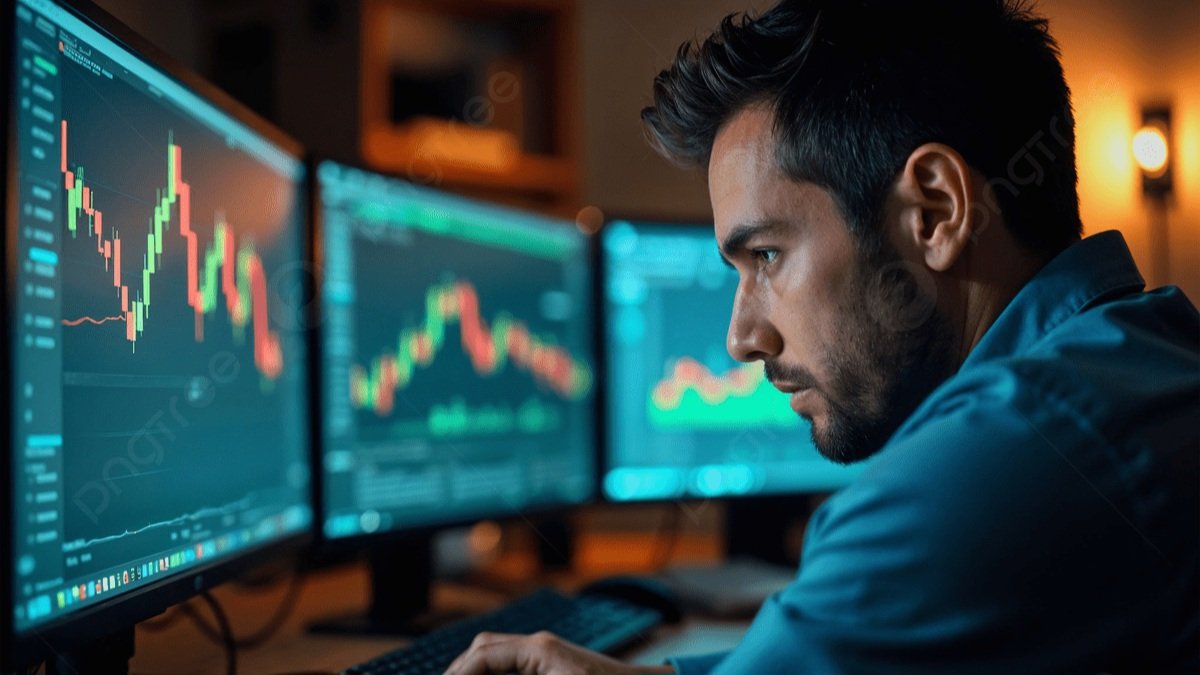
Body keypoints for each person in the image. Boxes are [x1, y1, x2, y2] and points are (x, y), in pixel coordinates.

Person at [445, 0, 1200, 672]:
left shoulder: (993, 461)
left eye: (766, 255)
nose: (741, 337)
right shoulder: (1144, 356)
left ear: (934, 212)